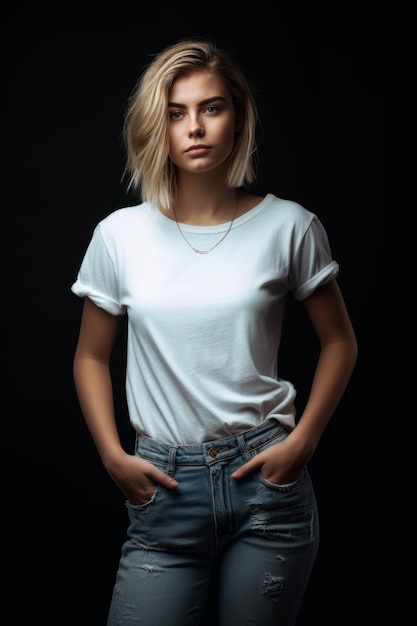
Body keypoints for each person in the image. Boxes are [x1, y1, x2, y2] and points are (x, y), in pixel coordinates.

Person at [71, 37, 358, 626]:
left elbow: (340, 342)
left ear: (238, 116)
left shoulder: (290, 225)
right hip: (165, 488)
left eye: (212, 107)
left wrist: (303, 442)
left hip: (266, 486)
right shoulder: (120, 235)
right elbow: (90, 357)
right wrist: (110, 455)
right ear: (158, 127)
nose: (194, 128)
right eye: (176, 113)